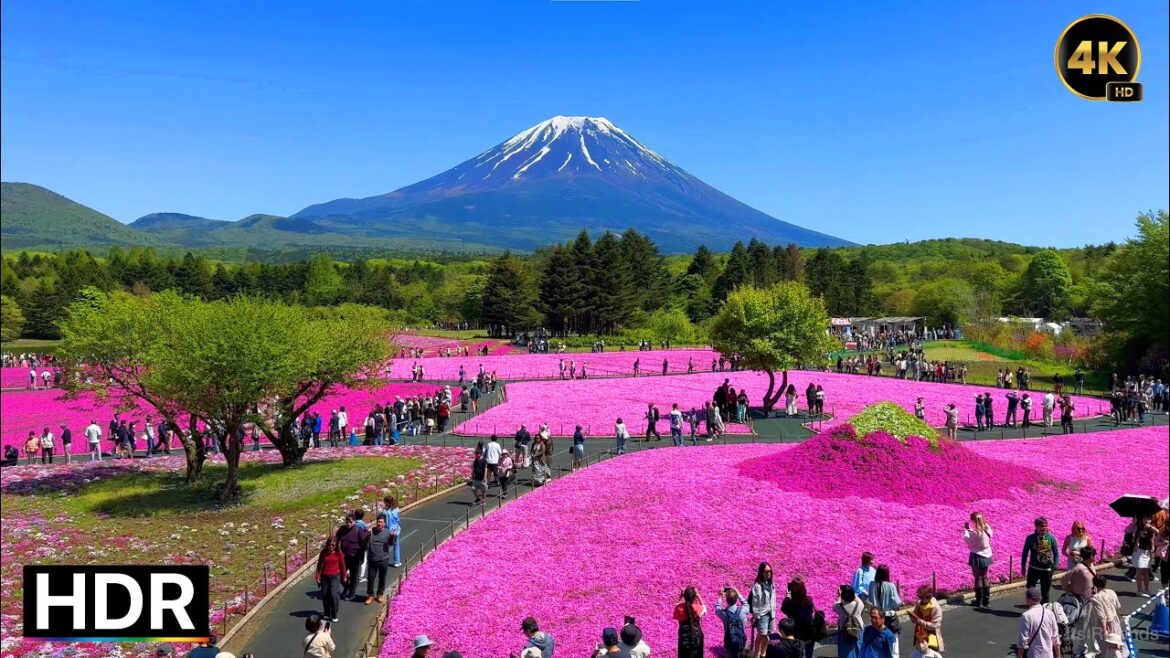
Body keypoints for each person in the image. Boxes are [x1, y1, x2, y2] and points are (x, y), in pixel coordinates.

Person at [1085, 574, 1128, 658]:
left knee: (1106, 647)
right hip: (1115, 620)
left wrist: (1104, 630)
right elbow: (1118, 606)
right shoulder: (1111, 592)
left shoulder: (1096, 598)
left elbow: (1101, 616)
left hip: (1105, 625)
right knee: (1118, 643)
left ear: (1094, 584)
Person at [1021, 517, 1058, 603]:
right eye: (1042, 526)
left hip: (1047, 570)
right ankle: (1032, 606)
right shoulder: (1030, 538)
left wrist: (1054, 566)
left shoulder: (1051, 538)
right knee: (1030, 590)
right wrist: (1023, 566)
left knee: (1045, 592)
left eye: (1046, 526)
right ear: (1036, 527)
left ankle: (1044, 609)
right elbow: (1025, 552)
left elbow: (1056, 553)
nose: (1044, 528)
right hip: (1033, 568)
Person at [1015, 587, 1060, 658]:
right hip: (1048, 654)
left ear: (1029, 599)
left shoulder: (1026, 616)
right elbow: (1055, 637)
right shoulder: (1050, 613)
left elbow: (1022, 640)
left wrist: (1020, 656)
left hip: (1034, 654)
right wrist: (1058, 656)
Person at [868, 565, 901, 658]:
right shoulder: (891, 586)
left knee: (877, 641)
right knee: (893, 643)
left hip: (876, 617)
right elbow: (897, 602)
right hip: (889, 617)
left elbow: (870, 599)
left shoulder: (872, 584)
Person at [780, 578, 817, 658]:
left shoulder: (790, 603)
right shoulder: (809, 600)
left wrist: (787, 596)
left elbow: (783, 609)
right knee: (809, 655)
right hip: (809, 633)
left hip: (798, 635)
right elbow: (811, 613)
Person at [314, 535, 346, 623]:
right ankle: (327, 612)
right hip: (324, 576)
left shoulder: (339, 553)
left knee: (334, 595)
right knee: (325, 595)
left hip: (334, 577)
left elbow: (342, 566)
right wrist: (317, 576)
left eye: (333, 545)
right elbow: (319, 565)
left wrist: (344, 576)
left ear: (335, 545)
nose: (331, 547)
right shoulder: (323, 552)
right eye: (329, 544)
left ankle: (334, 614)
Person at [963, 512, 993, 607]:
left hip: (977, 556)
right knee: (984, 577)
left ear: (973, 521)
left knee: (978, 578)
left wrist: (966, 530)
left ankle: (978, 601)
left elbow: (967, 540)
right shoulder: (987, 529)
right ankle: (986, 601)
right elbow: (987, 532)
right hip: (987, 555)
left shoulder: (975, 533)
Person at [336, 513, 368, 600]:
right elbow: (336, 539)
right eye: (347, 522)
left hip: (355, 558)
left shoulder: (358, 530)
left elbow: (364, 544)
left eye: (350, 522)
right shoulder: (342, 530)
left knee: (354, 576)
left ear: (354, 521)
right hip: (344, 557)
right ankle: (346, 587)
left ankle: (352, 593)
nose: (348, 524)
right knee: (341, 574)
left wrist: (360, 556)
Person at [364, 515, 393, 604]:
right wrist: (367, 535)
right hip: (372, 559)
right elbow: (364, 543)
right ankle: (370, 595)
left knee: (382, 577)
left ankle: (380, 594)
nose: (379, 524)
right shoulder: (371, 531)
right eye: (378, 522)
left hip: (383, 559)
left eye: (381, 522)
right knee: (371, 578)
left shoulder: (388, 532)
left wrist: (392, 537)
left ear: (384, 523)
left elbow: (391, 544)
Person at [750, 562, 776, 658]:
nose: (768, 573)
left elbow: (774, 600)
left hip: (770, 614)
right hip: (762, 615)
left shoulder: (772, 584)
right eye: (766, 571)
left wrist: (774, 615)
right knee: (761, 635)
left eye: (769, 571)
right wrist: (756, 617)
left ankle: (763, 654)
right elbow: (755, 603)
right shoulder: (757, 586)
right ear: (761, 572)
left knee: (767, 635)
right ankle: (756, 655)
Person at [715, 586, 749, 658]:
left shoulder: (724, 614)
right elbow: (746, 604)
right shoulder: (743, 611)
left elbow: (717, 608)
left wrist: (720, 597)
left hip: (729, 641)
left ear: (726, 600)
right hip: (741, 641)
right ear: (736, 599)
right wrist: (738, 593)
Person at [908, 586, 943, 653]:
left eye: (927, 597)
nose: (923, 599)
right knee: (920, 653)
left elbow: (935, 625)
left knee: (931, 654)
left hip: (932, 636)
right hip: (920, 636)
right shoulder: (919, 604)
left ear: (930, 596)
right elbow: (915, 618)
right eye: (921, 597)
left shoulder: (936, 607)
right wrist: (912, 617)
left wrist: (920, 621)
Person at [673, 586, 706, 658]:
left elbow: (676, 605)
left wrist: (681, 596)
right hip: (696, 635)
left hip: (683, 635)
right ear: (694, 597)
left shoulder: (679, 608)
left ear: (684, 596)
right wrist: (698, 596)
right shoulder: (698, 608)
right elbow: (704, 608)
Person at [834, 585, 865, 658]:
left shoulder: (839, 607)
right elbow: (858, 600)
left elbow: (834, 605)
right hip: (858, 628)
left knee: (846, 652)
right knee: (859, 648)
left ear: (843, 596)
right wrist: (852, 592)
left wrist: (839, 596)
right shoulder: (859, 605)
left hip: (844, 630)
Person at [379, 496, 402, 568]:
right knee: (396, 546)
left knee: (385, 546)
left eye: (385, 502)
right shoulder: (396, 510)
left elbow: (381, 519)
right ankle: (396, 562)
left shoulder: (384, 511)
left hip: (387, 530)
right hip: (395, 530)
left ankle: (383, 560)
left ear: (387, 502)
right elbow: (398, 520)